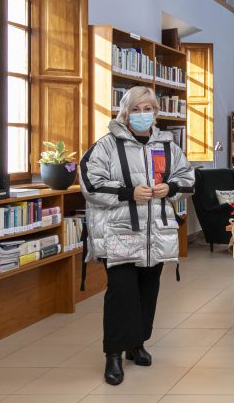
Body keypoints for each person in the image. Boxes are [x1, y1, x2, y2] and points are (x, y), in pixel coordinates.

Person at [80, 86, 194, 386]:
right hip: (120, 233)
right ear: (124, 112)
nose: (143, 115)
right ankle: (113, 354)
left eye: (148, 109)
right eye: (136, 109)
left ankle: (137, 344)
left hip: (156, 234)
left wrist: (170, 187)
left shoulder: (168, 145)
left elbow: (187, 177)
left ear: (155, 112)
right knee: (121, 293)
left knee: (148, 292)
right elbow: (91, 184)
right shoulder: (106, 146)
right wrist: (127, 193)